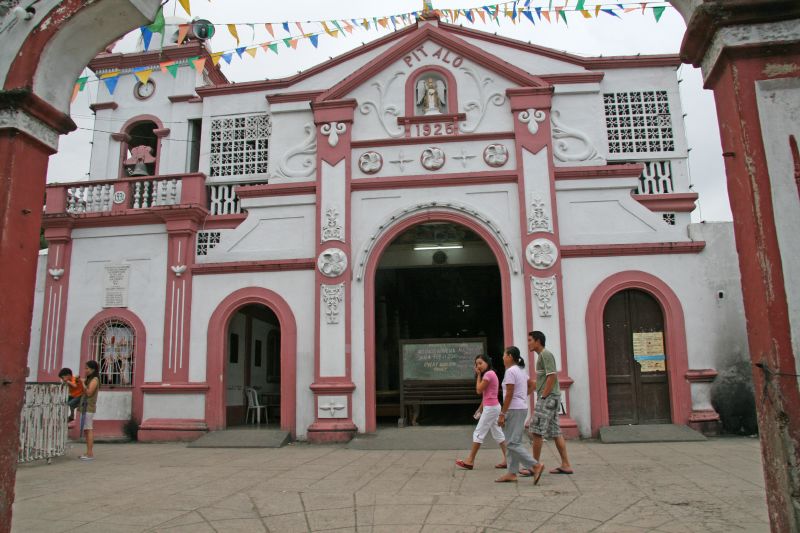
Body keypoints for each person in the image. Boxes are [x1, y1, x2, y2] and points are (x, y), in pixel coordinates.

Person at [495, 346, 543, 484]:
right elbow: (532, 385)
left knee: (512, 443)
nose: (503, 358)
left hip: (513, 409)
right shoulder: (521, 370)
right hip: (521, 408)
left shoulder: (510, 371)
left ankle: (535, 465)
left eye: (504, 355)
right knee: (511, 440)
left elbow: (509, 393)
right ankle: (511, 472)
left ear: (510, 356)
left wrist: (502, 413)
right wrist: (522, 397)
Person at [528, 331, 573, 476]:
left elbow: (552, 376)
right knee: (555, 431)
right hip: (552, 397)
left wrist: (543, 396)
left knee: (536, 431)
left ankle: (534, 466)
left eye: (530, 340)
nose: (528, 343)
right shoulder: (541, 356)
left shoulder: (545, 355)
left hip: (548, 398)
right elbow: (544, 378)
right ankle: (566, 464)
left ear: (538, 341)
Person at [455, 354, 508, 470]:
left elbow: (479, 390)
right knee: (498, 434)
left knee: (478, 433)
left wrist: (478, 375)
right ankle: (508, 459)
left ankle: (470, 460)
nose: (478, 366)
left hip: (491, 408)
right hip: (493, 407)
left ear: (487, 363)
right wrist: (480, 408)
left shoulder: (488, 374)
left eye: (480, 363)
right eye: (476, 364)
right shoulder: (491, 374)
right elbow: (487, 395)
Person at [77, 360, 101, 461]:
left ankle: (90, 453)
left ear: (93, 369)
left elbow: (89, 392)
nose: (85, 370)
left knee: (89, 429)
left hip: (89, 407)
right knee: (86, 430)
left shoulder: (95, 380)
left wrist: (83, 383)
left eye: (87, 368)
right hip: (85, 407)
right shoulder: (90, 379)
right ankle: (87, 451)